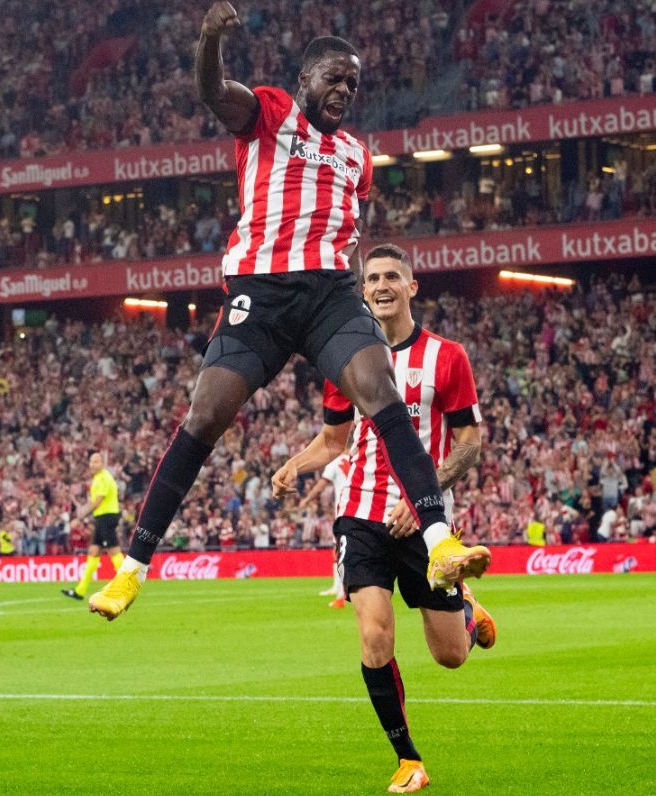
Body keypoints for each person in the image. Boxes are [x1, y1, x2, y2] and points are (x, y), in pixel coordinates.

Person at [88, 2, 487, 621]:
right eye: (335, 77)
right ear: (307, 79)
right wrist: (209, 39)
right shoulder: (270, 112)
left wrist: (356, 286)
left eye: (353, 83)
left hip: (330, 294)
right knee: (205, 415)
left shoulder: (357, 155)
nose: (345, 91)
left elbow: (351, 227)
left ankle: (440, 543)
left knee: (381, 391)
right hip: (263, 293)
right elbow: (212, 91)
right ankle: (133, 567)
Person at [272, 244, 496, 793]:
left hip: (422, 521)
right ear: (361, 288)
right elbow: (334, 440)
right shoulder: (343, 357)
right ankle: (408, 760)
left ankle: (464, 608)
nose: (380, 285)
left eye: (392, 276)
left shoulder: (448, 357)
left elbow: (469, 443)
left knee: (450, 657)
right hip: (361, 517)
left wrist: (425, 494)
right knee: (375, 636)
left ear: (411, 287)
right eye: (371, 278)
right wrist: (296, 464)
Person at [63, 451, 125, 600]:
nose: (93, 464)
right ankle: (80, 590)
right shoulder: (99, 478)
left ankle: (127, 586)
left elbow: (97, 501)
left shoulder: (103, 478)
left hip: (106, 517)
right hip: (102, 517)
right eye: (91, 461)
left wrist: (79, 517)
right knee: (93, 551)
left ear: (102, 463)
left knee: (114, 551)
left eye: (96, 462)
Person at [300, 453, 350, 608]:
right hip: (362, 510)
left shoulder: (336, 461)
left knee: (339, 552)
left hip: (344, 511)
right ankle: (338, 588)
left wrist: (307, 499)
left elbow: (321, 485)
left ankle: (341, 596)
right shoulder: (358, 456)